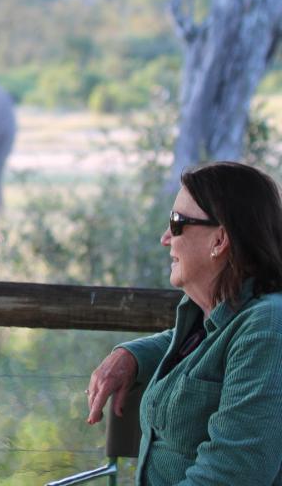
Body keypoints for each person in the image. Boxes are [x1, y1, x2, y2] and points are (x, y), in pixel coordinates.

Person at [85, 161, 282, 485]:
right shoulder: (211, 314)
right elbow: (207, 344)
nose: (166, 238)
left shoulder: (267, 327)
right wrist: (131, 356)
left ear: (219, 240)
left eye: (177, 223)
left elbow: (231, 476)